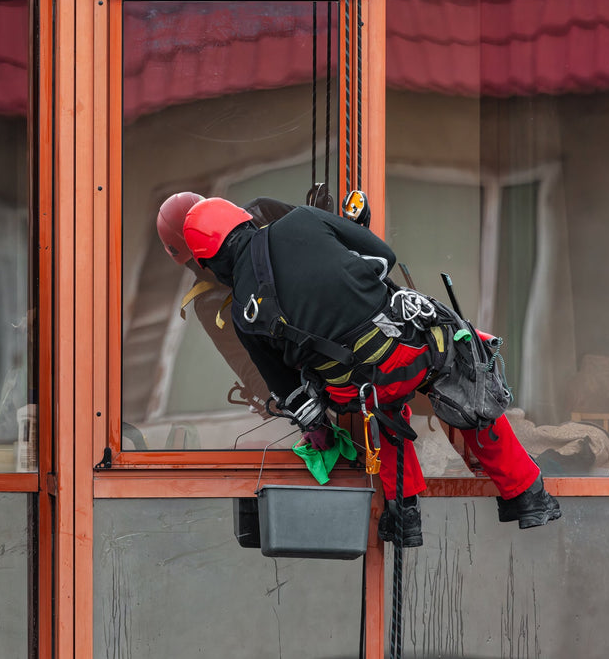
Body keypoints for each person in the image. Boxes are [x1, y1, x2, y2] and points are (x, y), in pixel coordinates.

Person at [181, 197, 562, 546]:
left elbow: (288, 391)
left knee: (381, 417)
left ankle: (404, 517)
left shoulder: (242, 314)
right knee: (464, 383)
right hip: (408, 353)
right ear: (244, 221)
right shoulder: (302, 220)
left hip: (357, 390)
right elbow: (384, 255)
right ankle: (528, 496)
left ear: (208, 263)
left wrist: (317, 435)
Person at [156, 192, 295, 412]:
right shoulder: (209, 302)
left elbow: (321, 236)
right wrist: (293, 404)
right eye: (197, 260)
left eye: (211, 246)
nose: (209, 264)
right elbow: (249, 365)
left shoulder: (262, 213)